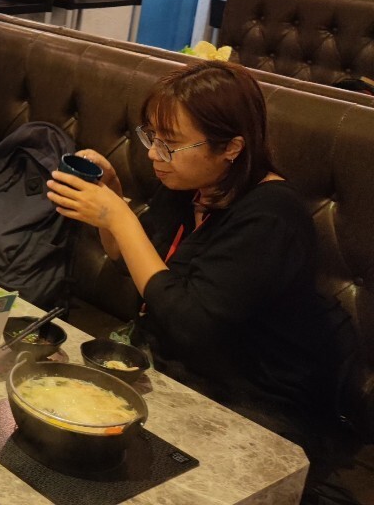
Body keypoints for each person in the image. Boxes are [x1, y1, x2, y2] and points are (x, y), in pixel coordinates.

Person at [45, 61, 339, 452]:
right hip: (170, 367)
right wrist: (112, 196)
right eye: (152, 136)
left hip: (249, 402)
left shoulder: (271, 218)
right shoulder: (191, 185)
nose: (154, 154)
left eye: (169, 143)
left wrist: (119, 217)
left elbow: (190, 324)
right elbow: (128, 262)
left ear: (232, 147)